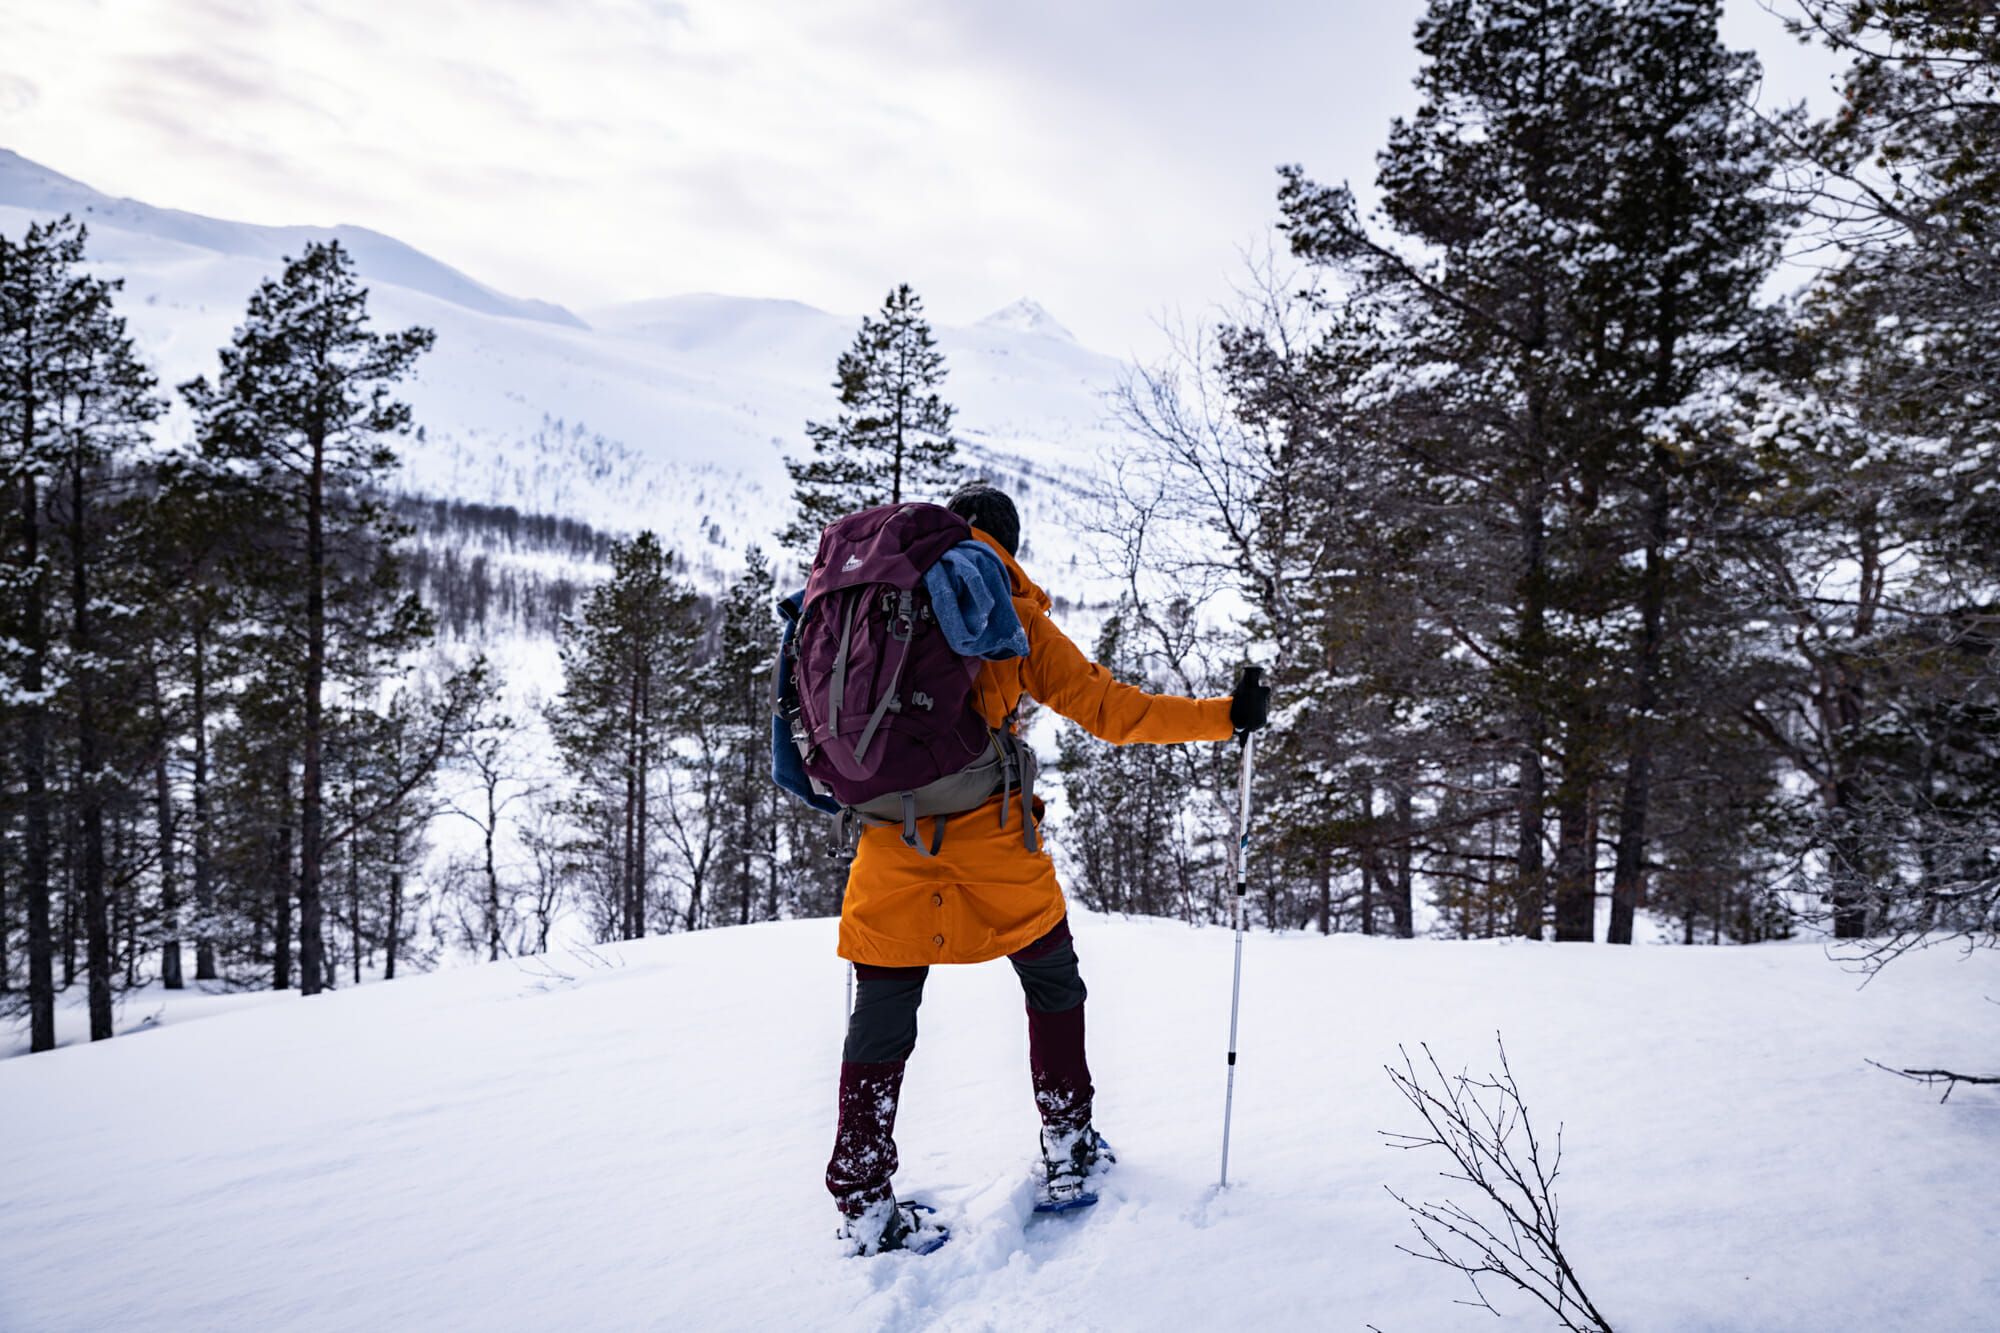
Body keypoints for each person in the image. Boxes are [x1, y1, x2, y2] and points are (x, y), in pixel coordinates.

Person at [824, 482, 1272, 1254]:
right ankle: (1068, 1144)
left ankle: (863, 1195)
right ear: (1006, 542)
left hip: (888, 839)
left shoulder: (876, 603)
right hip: (992, 840)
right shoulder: (1010, 610)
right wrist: (1226, 715)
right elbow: (1113, 711)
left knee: (882, 1011)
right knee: (1052, 980)